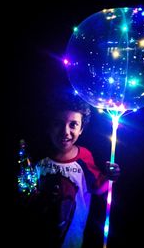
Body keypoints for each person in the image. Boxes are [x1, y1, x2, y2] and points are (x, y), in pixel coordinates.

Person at [17, 89, 121, 248]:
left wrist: (110, 176)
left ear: (81, 130)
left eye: (73, 124)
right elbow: (27, 196)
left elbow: (98, 189)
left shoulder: (84, 158)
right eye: (58, 123)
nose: (65, 131)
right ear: (49, 127)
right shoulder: (38, 160)